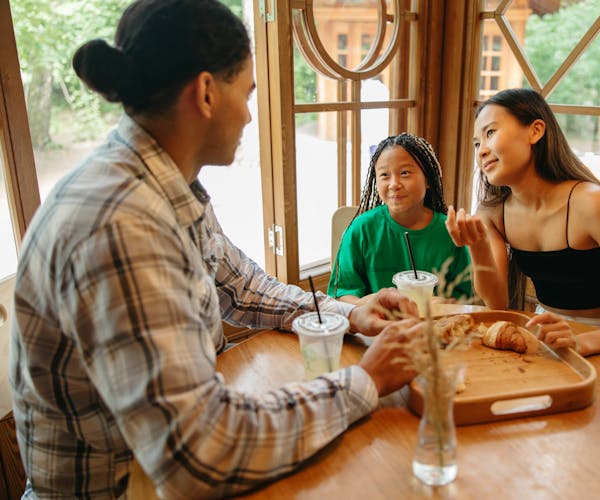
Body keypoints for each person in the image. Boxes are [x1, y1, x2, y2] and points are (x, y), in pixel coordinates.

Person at [9, 1, 420, 498]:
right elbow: (200, 454)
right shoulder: (121, 225)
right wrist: (364, 381)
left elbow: (243, 287)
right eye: (247, 93)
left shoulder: (160, 183)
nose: (250, 115)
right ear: (206, 92)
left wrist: (348, 315)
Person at [446, 88, 600, 356]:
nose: (482, 150)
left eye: (490, 133)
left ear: (535, 131)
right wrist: (478, 246)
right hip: (544, 337)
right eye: (476, 143)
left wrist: (580, 342)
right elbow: (497, 302)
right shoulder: (494, 212)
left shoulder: (592, 204)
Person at [328, 133, 472, 304]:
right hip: (376, 327)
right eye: (384, 175)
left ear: (428, 179)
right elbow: (341, 295)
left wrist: (441, 304)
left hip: (434, 327)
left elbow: (466, 298)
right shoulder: (361, 230)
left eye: (405, 173)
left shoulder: (450, 231)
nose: (394, 184)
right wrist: (370, 303)